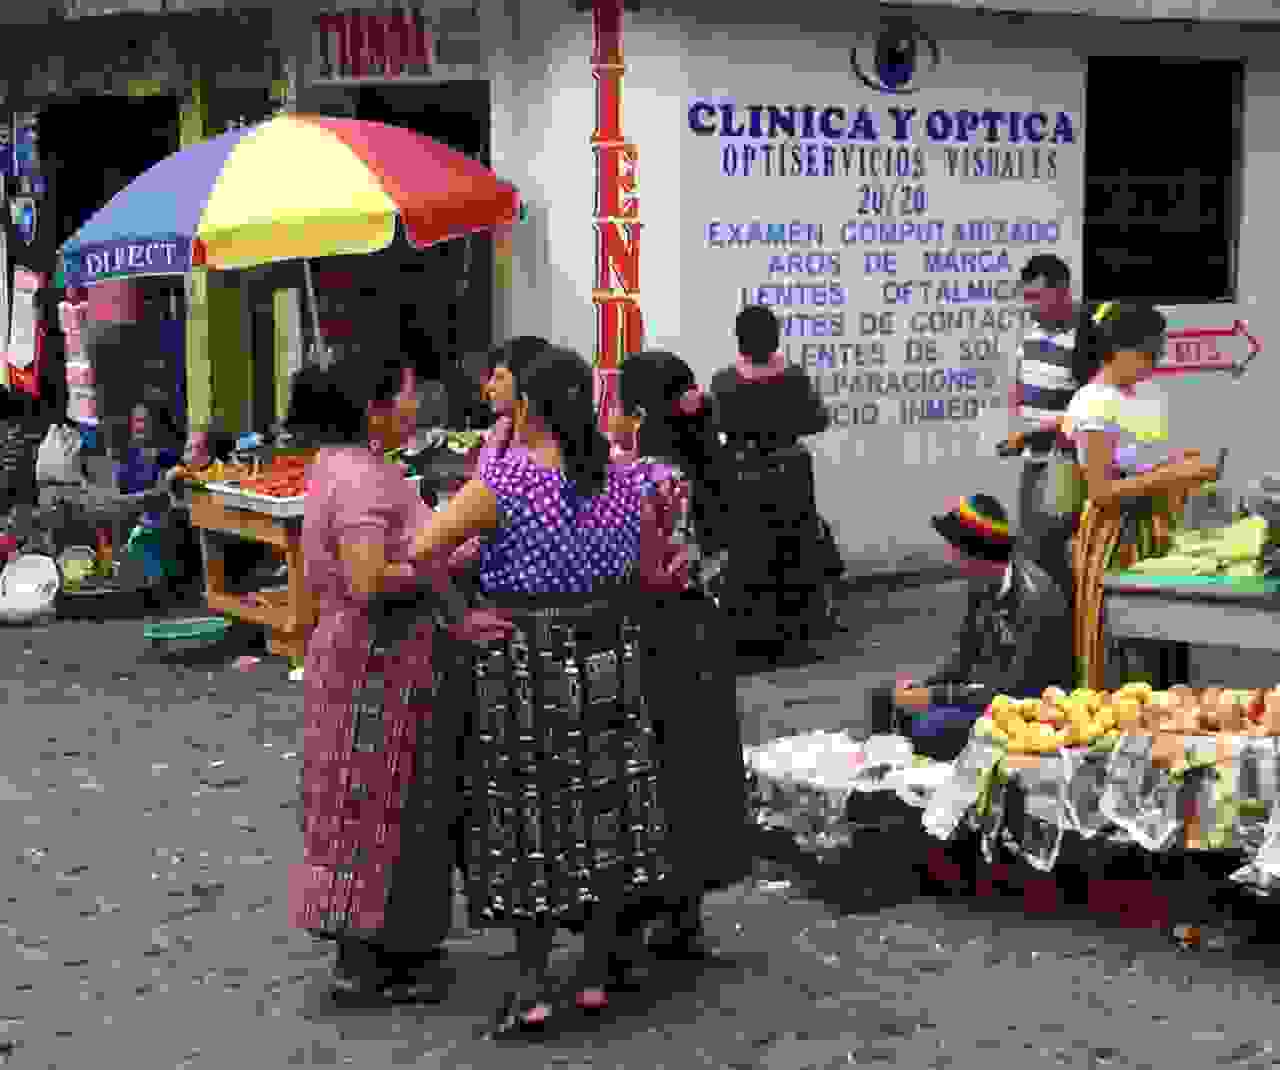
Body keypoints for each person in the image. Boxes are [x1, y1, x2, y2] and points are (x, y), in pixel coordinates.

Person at [406, 345, 677, 1035]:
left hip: (524, 659)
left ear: (526, 404)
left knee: (532, 818)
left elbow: (422, 550)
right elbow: (650, 572)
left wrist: (460, 616)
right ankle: (591, 976)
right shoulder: (623, 480)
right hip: (610, 652)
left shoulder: (510, 481)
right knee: (605, 810)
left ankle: (530, 987)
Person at [287, 352, 509, 1004]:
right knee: (371, 807)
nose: (417, 407)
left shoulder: (353, 466)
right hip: (372, 666)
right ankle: (368, 966)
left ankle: (390, 954)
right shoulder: (359, 478)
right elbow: (370, 580)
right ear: (373, 407)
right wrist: (450, 551)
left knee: (383, 805)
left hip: (377, 663)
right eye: (407, 395)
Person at [611, 350, 750, 959]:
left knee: (652, 767)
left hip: (655, 634)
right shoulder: (712, 465)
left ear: (638, 412)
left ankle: (648, 904)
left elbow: (629, 569)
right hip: (706, 631)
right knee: (700, 766)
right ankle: (685, 912)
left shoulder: (644, 478)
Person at [1066, 301, 1218, 690]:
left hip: (1152, 528)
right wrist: (1172, 475)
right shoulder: (1093, 403)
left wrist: (1183, 467)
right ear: (1121, 350)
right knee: (1113, 647)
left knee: (1157, 646)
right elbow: (1101, 491)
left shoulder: (1145, 395)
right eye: (1152, 352)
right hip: (1112, 534)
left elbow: (1145, 463)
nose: (1156, 361)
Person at [868, 494, 1073, 758]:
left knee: (930, 726)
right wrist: (921, 687)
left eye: (963, 557)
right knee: (884, 699)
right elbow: (963, 660)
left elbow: (1010, 690)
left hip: (1026, 708)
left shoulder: (1035, 600)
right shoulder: (981, 584)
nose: (957, 565)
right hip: (984, 695)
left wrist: (935, 697)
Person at [710, 305, 839, 653]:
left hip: (742, 471)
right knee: (794, 549)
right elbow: (817, 420)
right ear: (775, 337)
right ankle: (796, 635)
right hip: (790, 469)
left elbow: (718, 425)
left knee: (749, 552)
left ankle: (751, 636)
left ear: (739, 340)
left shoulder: (725, 381)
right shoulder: (794, 377)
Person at [999, 254, 1101, 598]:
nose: (1030, 306)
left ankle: (1073, 625)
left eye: (1037, 297)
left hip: (1069, 465)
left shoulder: (1086, 337)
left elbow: (1092, 411)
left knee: (1056, 548)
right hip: (1035, 460)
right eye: (1026, 297)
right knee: (1033, 545)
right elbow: (1021, 382)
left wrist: (1033, 432)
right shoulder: (1029, 331)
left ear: (1061, 290)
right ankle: (1051, 628)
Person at [114, 402, 183, 598]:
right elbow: (118, 494)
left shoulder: (166, 457)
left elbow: (160, 498)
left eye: (145, 421)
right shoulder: (129, 456)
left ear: (157, 425)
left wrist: (124, 501)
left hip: (158, 532)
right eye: (136, 420)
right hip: (134, 527)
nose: (140, 426)